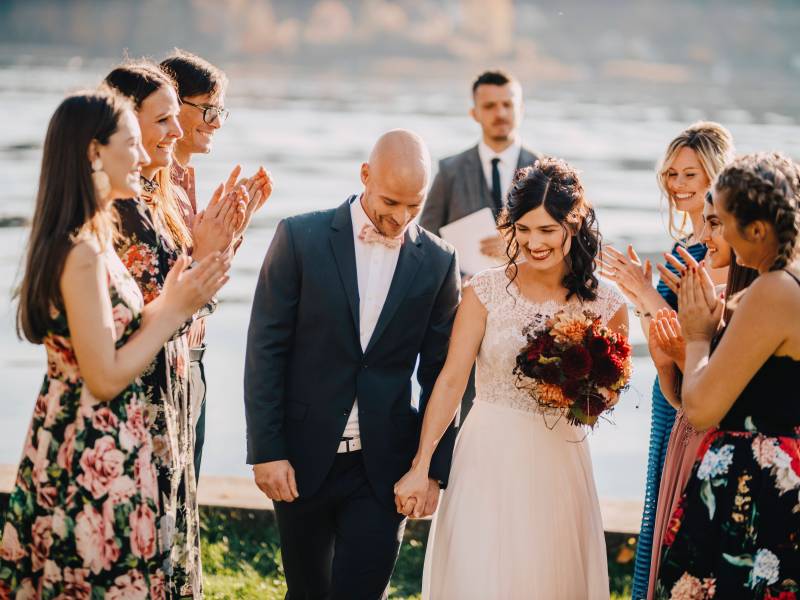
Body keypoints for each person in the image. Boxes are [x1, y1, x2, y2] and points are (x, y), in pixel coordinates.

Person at [0, 88, 228, 596]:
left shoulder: (91, 237)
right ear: (94, 152)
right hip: (89, 449)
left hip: (100, 437)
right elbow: (103, 376)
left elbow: (108, 335)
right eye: (132, 142)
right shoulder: (81, 252)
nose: (146, 156)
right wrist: (173, 311)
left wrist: (174, 298)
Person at [395, 157, 629, 599]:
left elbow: (607, 395)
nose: (533, 243)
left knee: (548, 578)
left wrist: (584, 387)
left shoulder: (607, 303)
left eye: (546, 230)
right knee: (479, 574)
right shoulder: (484, 290)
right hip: (486, 456)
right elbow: (450, 381)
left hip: (558, 459)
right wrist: (421, 464)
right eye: (523, 230)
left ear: (573, 225)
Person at [244, 130, 460, 599]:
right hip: (301, 458)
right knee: (307, 592)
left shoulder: (440, 261)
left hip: (383, 467)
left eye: (414, 205)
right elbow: (266, 349)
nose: (401, 218)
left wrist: (431, 470)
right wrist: (267, 449)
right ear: (365, 175)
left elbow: (443, 375)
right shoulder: (299, 237)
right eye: (390, 201)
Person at [105, 59, 242, 597]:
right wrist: (207, 256)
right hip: (136, 392)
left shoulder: (152, 195)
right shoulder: (117, 206)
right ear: (124, 121)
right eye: (166, 120)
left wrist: (219, 246)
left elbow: (181, 291)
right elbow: (150, 307)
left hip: (170, 382)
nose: (181, 132)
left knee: (167, 528)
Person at [598, 121, 733, 598]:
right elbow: (663, 329)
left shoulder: (721, 254)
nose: (676, 184)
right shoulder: (684, 248)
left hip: (693, 388)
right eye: (671, 173)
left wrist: (640, 290)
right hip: (667, 388)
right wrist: (641, 298)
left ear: (716, 176)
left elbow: (697, 330)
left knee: (677, 504)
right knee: (658, 500)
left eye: (689, 174)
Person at [656, 152, 800, 599]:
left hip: (752, 490)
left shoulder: (772, 291)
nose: (710, 231)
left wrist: (698, 335)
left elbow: (702, 408)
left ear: (756, 229)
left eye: (720, 221)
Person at [160, 49, 272, 481]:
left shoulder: (187, 179)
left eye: (220, 111)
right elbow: (175, 276)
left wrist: (235, 228)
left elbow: (206, 273)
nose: (216, 123)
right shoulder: (157, 185)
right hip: (169, 355)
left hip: (194, 356)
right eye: (207, 109)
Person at [644, 190, 758, 599]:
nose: (703, 234)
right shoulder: (714, 297)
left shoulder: (758, 305)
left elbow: (722, 405)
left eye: (714, 223)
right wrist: (663, 361)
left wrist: (689, 344)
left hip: (728, 461)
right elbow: (683, 403)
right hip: (689, 446)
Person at [419, 69, 540, 422]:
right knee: (463, 406)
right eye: (489, 106)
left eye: (507, 104)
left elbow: (566, 242)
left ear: (520, 108)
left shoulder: (544, 170)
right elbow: (425, 240)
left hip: (527, 310)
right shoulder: (450, 170)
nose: (499, 113)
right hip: (462, 309)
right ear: (475, 113)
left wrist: (517, 250)